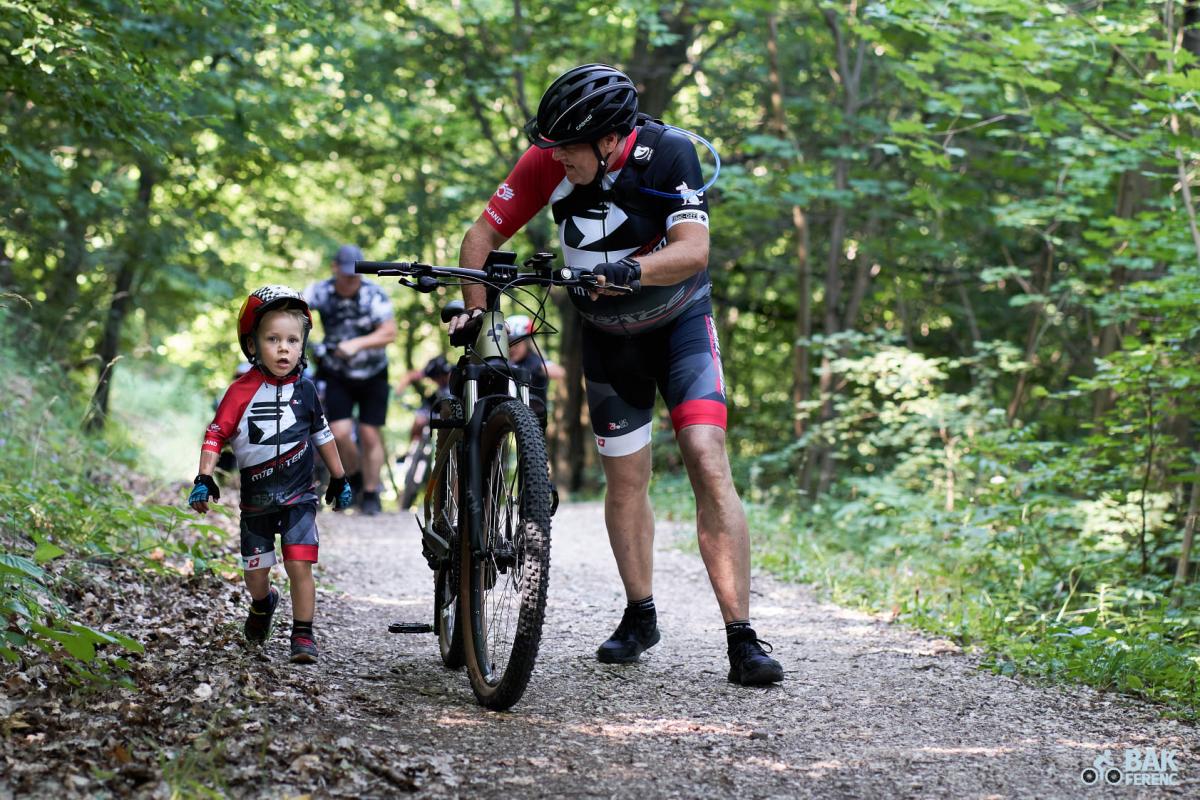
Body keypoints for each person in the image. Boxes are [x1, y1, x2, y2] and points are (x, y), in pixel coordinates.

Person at [448, 64, 784, 685]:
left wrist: (633, 269)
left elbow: (693, 249)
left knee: (707, 458)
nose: (554, 158)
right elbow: (480, 238)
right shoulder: (547, 162)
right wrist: (478, 319)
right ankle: (640, 614)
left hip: (680, 328)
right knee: (626, 480)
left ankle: (743, 638)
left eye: (566, 148)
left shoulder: (669, 153)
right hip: (606, 343)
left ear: (608, 140)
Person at [187, 286, 354, 664]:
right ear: (252, 345)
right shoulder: (239, 391)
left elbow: (323, 435)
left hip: (300, 497)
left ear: (303, 346)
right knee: (257, 574)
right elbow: (215, 434)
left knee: (299, 563)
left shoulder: (307, 390)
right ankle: (263, 605)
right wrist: (204, 477)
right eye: (273, 339)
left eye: (292, 340)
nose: (283, 348)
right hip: (256, 501)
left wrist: (340, 478)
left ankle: (303, 634)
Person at [303, 244, 397, 516]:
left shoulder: (373, 295)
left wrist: (358, 344)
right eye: (345, 274)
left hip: (373, 373)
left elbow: (389, 333)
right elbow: (296, 311)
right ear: (334, 268)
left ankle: (370, 493)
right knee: (340, 433)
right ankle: (354, 475)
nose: (350, 280)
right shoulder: (320, 291)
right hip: (337, 373)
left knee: (369, 434)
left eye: (354, 275)